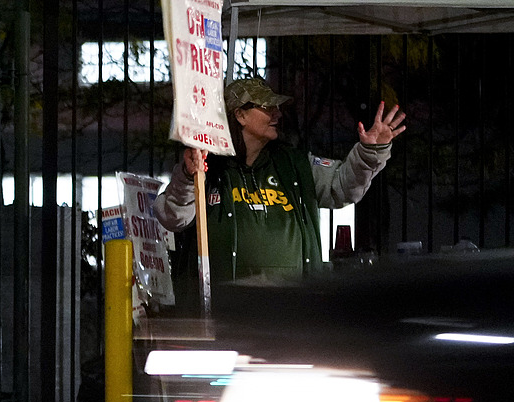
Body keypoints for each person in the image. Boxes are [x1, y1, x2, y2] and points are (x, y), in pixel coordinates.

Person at [156, 77, 404, 281]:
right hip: (225, 316)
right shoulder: (205, 165)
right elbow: (172, 216)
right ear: (240, 115)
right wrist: (189, 177)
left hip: (289, 315)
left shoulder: (294, 164)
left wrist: (371, 151)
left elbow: (342, 187)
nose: (277, 114)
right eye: (266, 107)